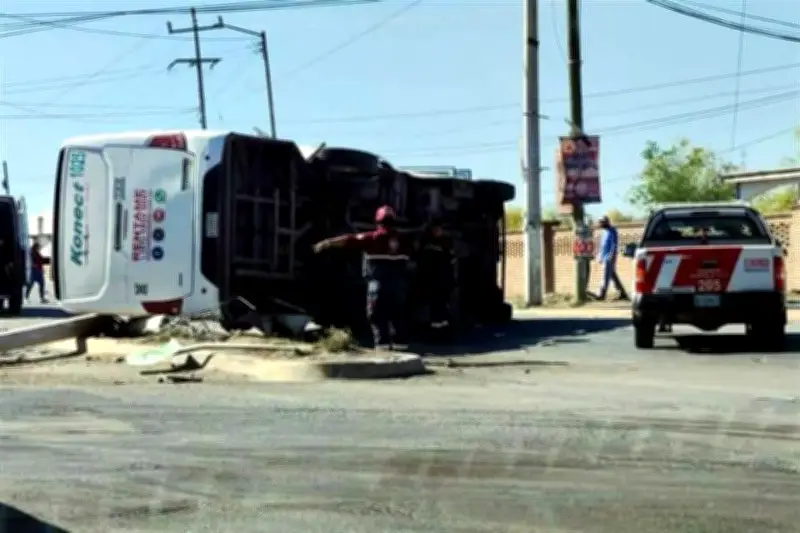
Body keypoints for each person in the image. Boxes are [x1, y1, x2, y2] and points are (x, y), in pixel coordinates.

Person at [313, 205, 411, 350]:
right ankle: (402, 348)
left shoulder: (372, 238)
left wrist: (327, 242)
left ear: (377, 221)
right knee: (398, 317)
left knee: (377, 317)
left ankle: (383, 350)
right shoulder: (404, 241)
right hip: (398, 288)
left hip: (378, 286)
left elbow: (349, 240)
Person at [417, 220, 454, 335]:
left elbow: (451, 261)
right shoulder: (426, 243)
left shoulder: (446, 243)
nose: (437, 231)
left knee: (441, 306)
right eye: (434, 229)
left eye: (438, 229)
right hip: (431, 280)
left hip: (442, 280)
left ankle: (442, 330)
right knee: (434, 306)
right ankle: (435, 330)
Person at [590, 215, 629, 301]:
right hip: (604, 256)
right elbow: (602, 245)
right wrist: (599, 256)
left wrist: (612, 254)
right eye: (600, 222)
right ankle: (622, 293)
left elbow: (614, 244)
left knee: (605, 276)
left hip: (609, 256)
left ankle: (601, 294)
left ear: (606, 222)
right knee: (612, 275)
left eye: (602, 222)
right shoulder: (604, 232)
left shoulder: (612, 231)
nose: (600, 224)